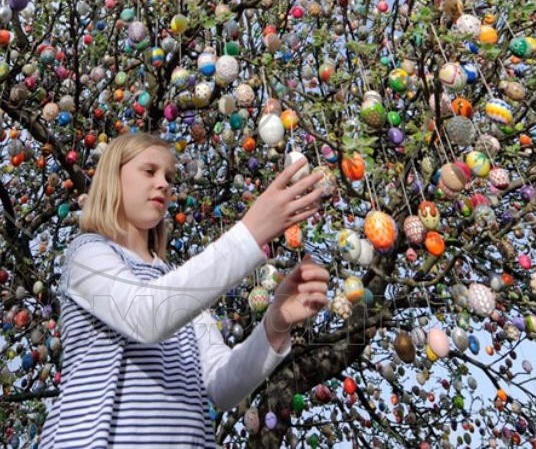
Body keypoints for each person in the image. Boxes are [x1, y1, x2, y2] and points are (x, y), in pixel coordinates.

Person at [39, 131, 332, 448]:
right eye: (149, 171)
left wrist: (278, 321)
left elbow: (222, 386)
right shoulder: (88, 255)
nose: (164, 183)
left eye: (169, 176)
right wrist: (251, 232)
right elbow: (146, 315)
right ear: (113, 178)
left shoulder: (177, 288)